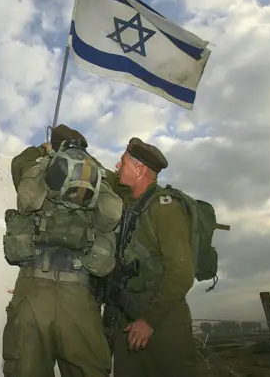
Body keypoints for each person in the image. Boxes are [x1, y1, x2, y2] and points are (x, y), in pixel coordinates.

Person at [1, 124, 123, 377]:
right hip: (78, 293)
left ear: (56, 146)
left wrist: (42, 150)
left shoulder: (37, 170)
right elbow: (118, 200)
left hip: (34, 289)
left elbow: (18, 163)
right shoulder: (100, 178)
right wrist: (90, 160)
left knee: (25, 369)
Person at [104, 137, 201, 377]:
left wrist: (149, 321)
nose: (117, 166)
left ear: (139, 170)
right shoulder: (128, 202)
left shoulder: (164, 208)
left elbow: (181, 273)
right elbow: (103, 176)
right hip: (127, 317)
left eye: (123, 162)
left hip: (162, 320)